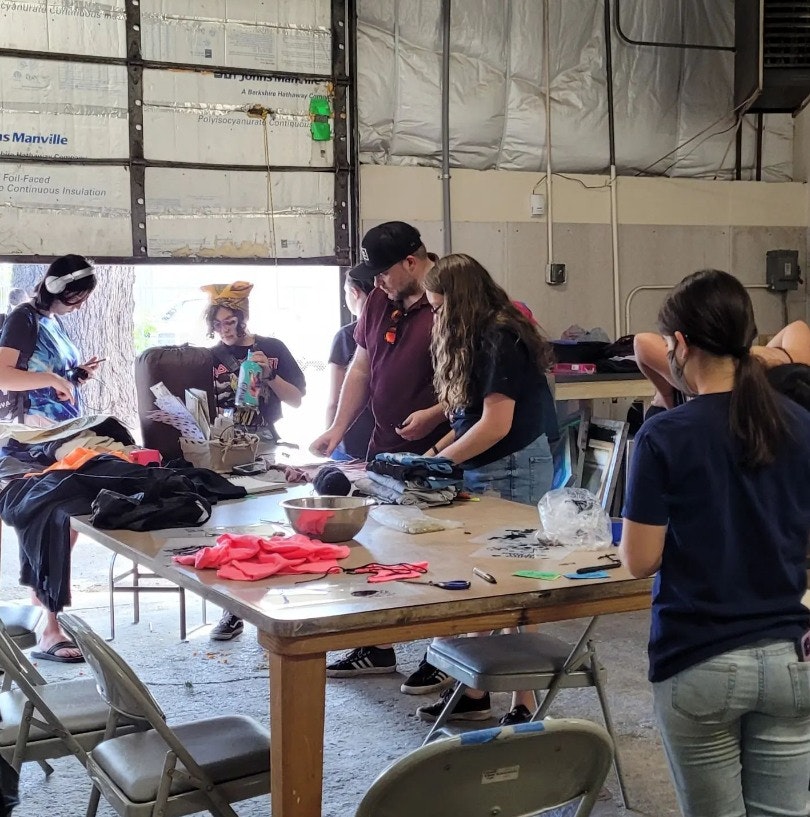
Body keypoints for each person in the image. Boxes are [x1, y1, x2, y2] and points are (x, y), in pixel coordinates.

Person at [619, 269, 810, 817]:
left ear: (679, 344)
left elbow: (640, 560)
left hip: (699, 656)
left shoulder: (664, 434)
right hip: (789, 659)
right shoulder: (797, 422)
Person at [414, 253, 558, 726]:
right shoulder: (479, 336)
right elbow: (468, 420)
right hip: (491, 464)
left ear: (460, 302)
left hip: (511, 465)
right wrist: (430, 455)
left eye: (438, 309)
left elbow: (496, 426)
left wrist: (437, 464)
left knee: (513, 587)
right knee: (480, 581)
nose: (435, 318)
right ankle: (473, 692)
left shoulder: (500, 336)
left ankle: (523, 703)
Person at [312, 221, 450, 687]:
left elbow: (473, 382)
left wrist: (433, 415)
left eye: (383, 272)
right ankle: (377, 646)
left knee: (440, 554)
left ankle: (443, 654)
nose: (376, 282)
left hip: (438, 453)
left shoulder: (448, 301)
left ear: (412, 262)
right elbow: (362, 366)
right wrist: (337, 428)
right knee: (379, 551)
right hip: (385, 450)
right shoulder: (378, 301)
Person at [0, 254, 102, 662]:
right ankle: (50, 625)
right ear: (58, 289)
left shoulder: (53, 322)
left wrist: (74, 376)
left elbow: (47, 373)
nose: (79, 306)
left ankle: (46, 614)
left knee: (64, 522)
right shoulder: (23, 318)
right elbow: (5, 374)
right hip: (26, 440)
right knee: (51, 521)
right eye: (75, 298)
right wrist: (55, 378)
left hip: (57, 434)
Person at [202, 281, 306, 641]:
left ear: (244, 318)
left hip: (264, 442)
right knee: (231, 526)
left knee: (268, 523)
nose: (225, 329)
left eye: (231, 320)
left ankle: (272, 601)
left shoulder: (272, 348)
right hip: (225, 442)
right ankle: (233, 608)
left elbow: (296, 400)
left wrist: (270, 374)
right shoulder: (209, 358)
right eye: (218, 323)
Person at [634, 319, 810, 417]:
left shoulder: (703, 371)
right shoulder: (796, 366)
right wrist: (667, 396)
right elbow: (797, 327)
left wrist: (666, 396)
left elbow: (641, 343)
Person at [326, 266, 375, 460]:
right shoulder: (396, 329)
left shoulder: (346, 336)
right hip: (391, 438)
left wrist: (329, 438)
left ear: (354, 293)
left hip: (352, 441)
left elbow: (333, 400)